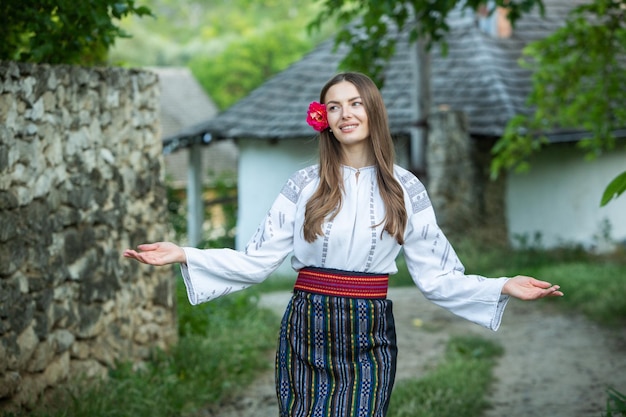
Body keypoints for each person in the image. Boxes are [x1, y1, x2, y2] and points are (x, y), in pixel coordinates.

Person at [124, 72, 563, 417]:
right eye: (334, 106)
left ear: (373, 112)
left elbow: (437, 277)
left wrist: (502, 285)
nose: (345, 113)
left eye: (355, 103)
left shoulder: (405, 189)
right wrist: (185, 253)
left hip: (368, 333)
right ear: (325, 119)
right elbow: (256, 261)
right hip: (307, 327)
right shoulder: (303, 185)